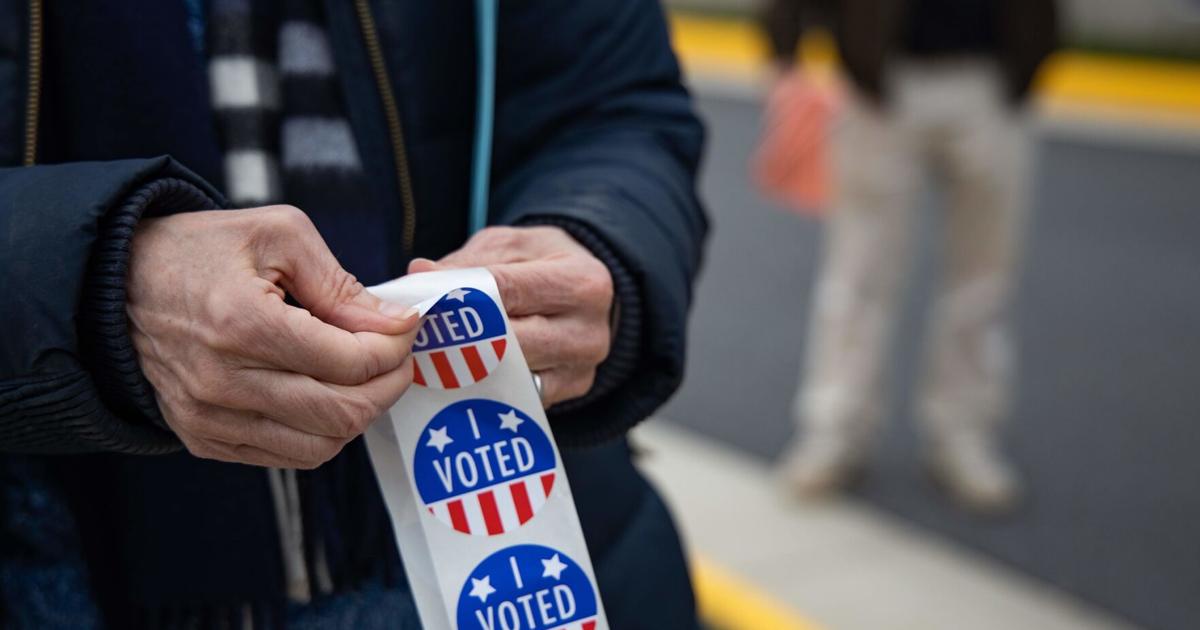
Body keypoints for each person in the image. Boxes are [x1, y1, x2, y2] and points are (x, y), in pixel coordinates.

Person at [0, 0, 706, 627]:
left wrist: (591, 237)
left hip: (519, 539)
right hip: (57, 563)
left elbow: (615, 106)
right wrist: (95, 285)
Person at [763, 0, 1057, 512]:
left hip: (994, 79)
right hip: (881, 81)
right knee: (858, 273)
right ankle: (836, 426)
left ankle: (963, 431)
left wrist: (1036, 57)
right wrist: (785, 48)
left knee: (982, 279)